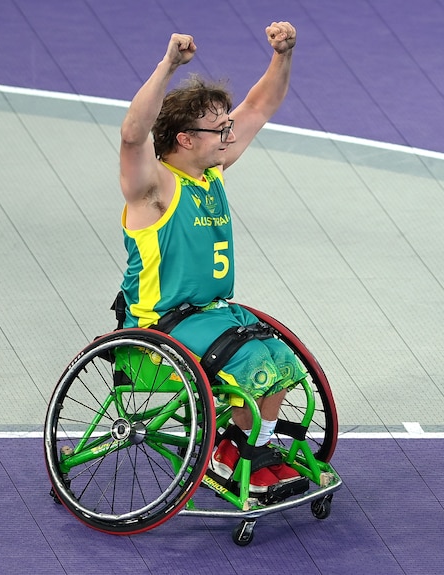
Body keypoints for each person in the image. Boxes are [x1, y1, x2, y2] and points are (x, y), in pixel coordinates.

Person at [118, 23, 303, 494]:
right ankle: (232, 455)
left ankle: (246, 445)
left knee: (280, 359)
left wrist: (282, 56)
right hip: (162, 325)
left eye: (227, 126)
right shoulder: (153, 189)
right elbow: (132, 134)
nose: (229, 132)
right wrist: (168, 67)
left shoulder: (211, 170)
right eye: (219, 128)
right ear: (184, 139)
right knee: (250, 366)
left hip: (216, 316)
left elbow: (260, 107)